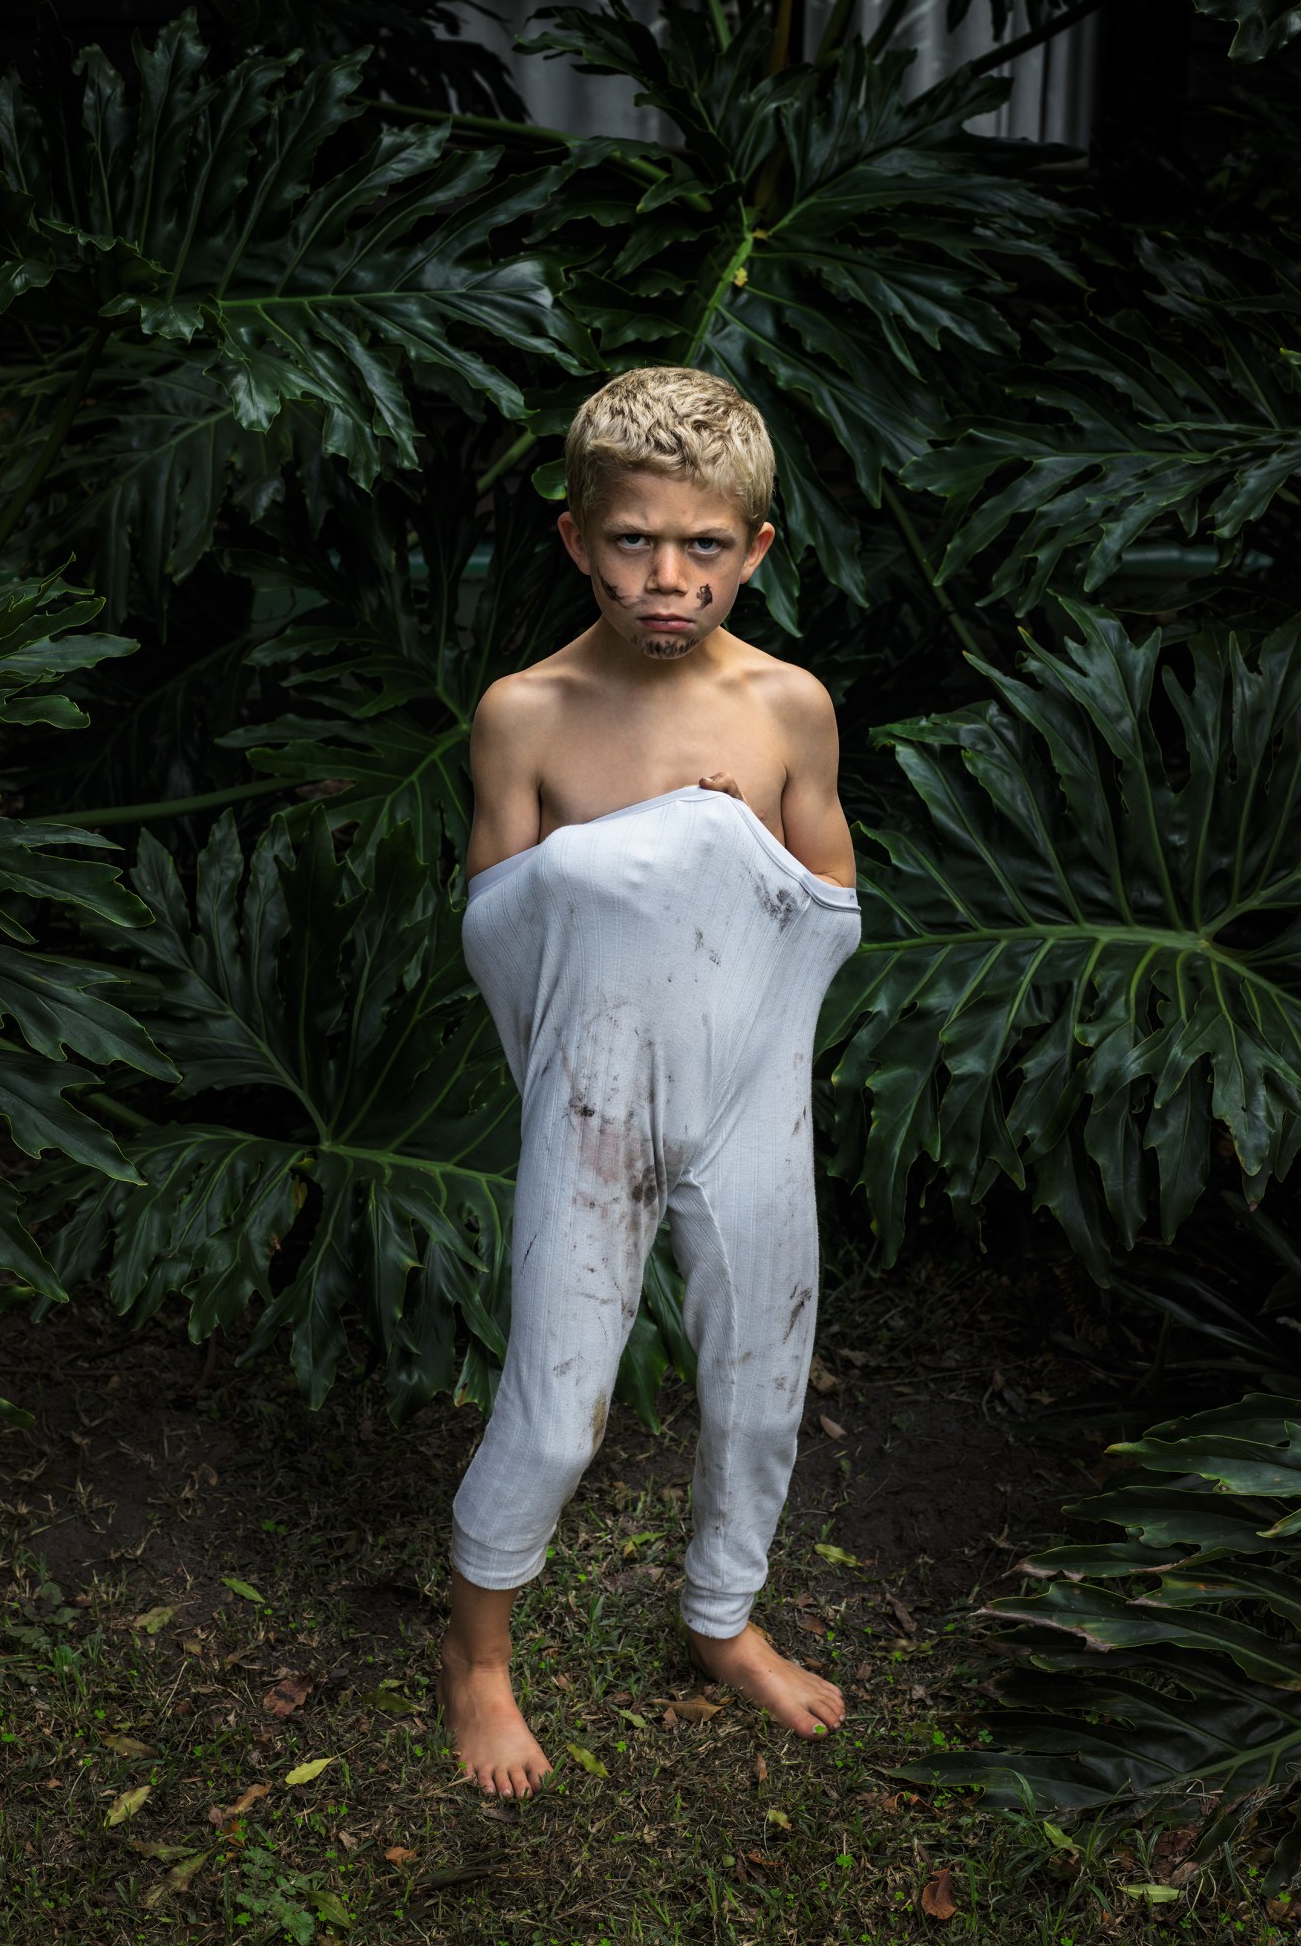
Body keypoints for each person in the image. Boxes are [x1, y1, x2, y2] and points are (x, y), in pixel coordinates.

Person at [438, 366, 862, 1800]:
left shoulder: (790, 709)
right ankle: (480, 1660)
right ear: (576, 539)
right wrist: (634, 861)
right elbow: (504, 935)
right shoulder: (527, 715)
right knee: (558, 1406)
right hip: (593, 1106)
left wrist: (709, 870)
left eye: (702, 547)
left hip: (751, 1087)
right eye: (632, 542)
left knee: (759, 1383)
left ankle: (722, 1617)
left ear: (755, 548)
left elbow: (825, 907)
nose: (666, 580)